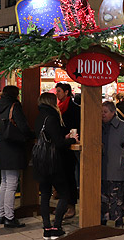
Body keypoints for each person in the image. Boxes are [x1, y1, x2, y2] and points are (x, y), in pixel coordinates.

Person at [34, 93, 78, 239]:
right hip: (52, 162)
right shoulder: (52, 117)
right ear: (52, 102)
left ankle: (47, 227)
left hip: (40, 161)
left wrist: (62, 138)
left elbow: (49, 138)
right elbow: (58, 144)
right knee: (65, 193)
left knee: (45, 195)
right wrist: (71, 140)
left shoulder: (40, 116)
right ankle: (56, 226)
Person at [0, 85, 33, 228]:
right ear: (15, 94)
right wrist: (31, 135)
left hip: (2, 146)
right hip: (13, 148)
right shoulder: (14, 106)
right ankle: (9, 218)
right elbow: (23, 127)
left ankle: (3, 214)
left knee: (4, 182)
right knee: (11, 183)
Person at [101, 101, 124, 227]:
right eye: (101, 111)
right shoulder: (98, 126)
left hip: (118, 167)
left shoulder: (123, 126)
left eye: (105, 112)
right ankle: (104, 219)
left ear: (113, 112)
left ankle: (118, 219)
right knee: (103, 197)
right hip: (102, 167)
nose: (102, 114)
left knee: (117, 197)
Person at [54, 82, 80, 219]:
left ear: (66, 92)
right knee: (62, 177)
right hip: (61, 146)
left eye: (59, 91)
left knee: (69, 177)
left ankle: (71, 206)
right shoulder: (58, 107)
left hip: (70, 146)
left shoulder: (74, 108)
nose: (57, 93)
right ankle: (63, 206)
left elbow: (77, 126)